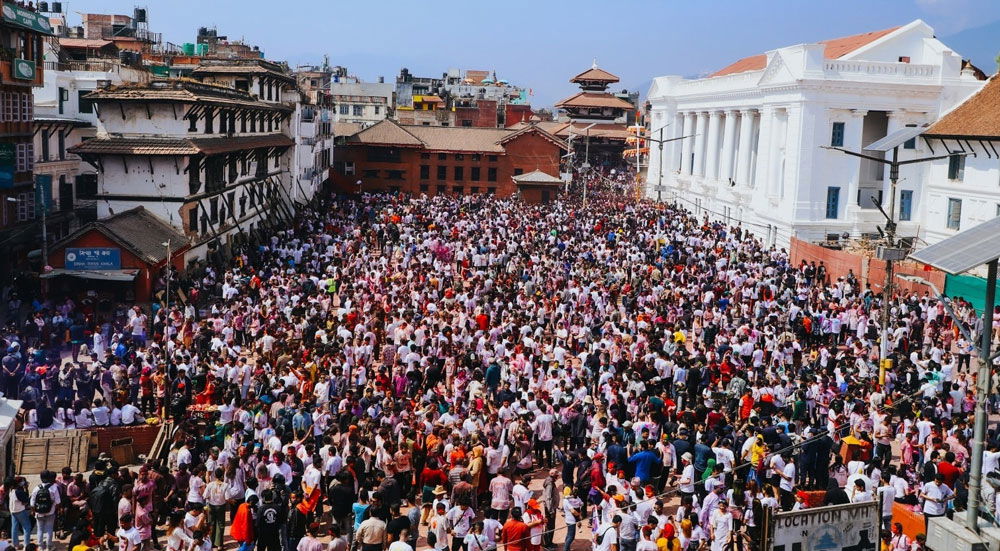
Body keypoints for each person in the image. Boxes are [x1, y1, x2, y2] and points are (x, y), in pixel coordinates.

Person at [30, 470, 61, 551]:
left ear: (41, 478)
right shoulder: (54, 487)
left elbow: (32, 503)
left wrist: (34, 511)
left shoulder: (36, 488)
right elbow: (58, 502)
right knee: (49, 530)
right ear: (49, 477)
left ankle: (40, 546)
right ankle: (49, 547)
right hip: (50, 512)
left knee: (40, 530)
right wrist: (53, 508)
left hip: (39, 513)